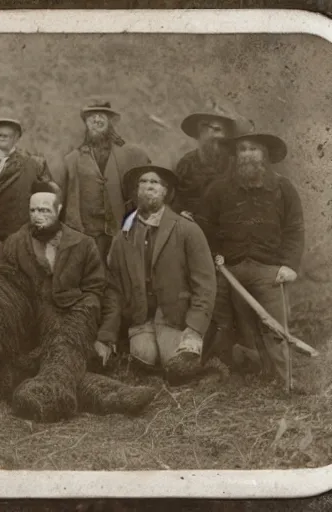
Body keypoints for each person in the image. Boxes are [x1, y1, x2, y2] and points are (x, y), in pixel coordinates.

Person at [0, 180, 156, 422]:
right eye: (33, 211)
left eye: (44, 210)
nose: (37, 216)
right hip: (35, 321)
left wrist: (105, 336)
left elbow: (100, 291)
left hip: (74, 312)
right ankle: (110, 395)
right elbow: (4, 277)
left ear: (59, 209)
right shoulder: (17, 242)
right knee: (29, 362)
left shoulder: (83, 244)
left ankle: (49, 392)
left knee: (64, 345)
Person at [198, 129, 305, 388]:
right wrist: (215, 255)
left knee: (274, 326)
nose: (248, 154)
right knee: (221, 322)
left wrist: (289, 266)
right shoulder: (220, 188)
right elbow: (204, 225)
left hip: (269, 269)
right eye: (243, 149)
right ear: (236, 155)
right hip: (229, 269)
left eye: (253, 149)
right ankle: (222, 373)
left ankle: (284, 379)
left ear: (265, 154)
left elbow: (294, 229)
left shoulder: (283, 187)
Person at [100, 162, 217, 384]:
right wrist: (107, 336)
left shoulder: (187, 230)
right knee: (144, 358)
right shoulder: (122, 237)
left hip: (176, 318)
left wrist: (194, 329)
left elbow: (205, 284)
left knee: (177, 366)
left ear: (166, 192)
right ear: (135, 193)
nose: (148, 187)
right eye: (142, 182)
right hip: (141, 319)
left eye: (155, 182)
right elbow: (113, 290)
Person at [59, 98, 150, 263]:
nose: (97, 120)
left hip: (121, 229)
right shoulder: (72, 160)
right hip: (87, 233)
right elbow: (64, 200)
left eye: (102, 115)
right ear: (86, 123)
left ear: (109, 121)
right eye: (91, 116)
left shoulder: (130, 154)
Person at [0, 111, 56, 264]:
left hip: (21, 247)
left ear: (17, 136)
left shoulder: (35, 165)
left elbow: (49, 208)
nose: (4, 134)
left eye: (10, 131)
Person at [172, 107, 239, 218]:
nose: (216, 141)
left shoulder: (233, 163)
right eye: (207, 128)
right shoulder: (187, 164)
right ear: (199, 133)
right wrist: (181, 212)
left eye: (219, 129)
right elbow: (177, 200)